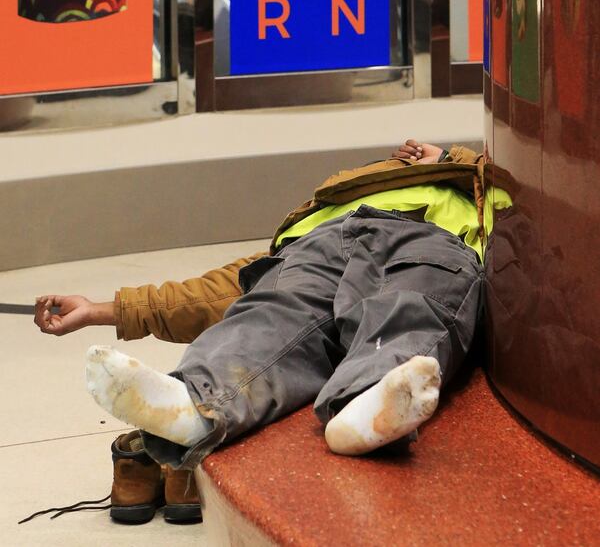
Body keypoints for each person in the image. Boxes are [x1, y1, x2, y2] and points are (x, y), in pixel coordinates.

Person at [35, 140, 493, 470]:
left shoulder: (477, 189)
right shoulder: (321, 212)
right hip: (320, 244)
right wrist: (101, 310)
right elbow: (212, 292)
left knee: (409, 306)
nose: (398, 161)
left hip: (434, 242)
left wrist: (459, 162)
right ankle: (196, 402)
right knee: (270, 312)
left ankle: (365, 403)